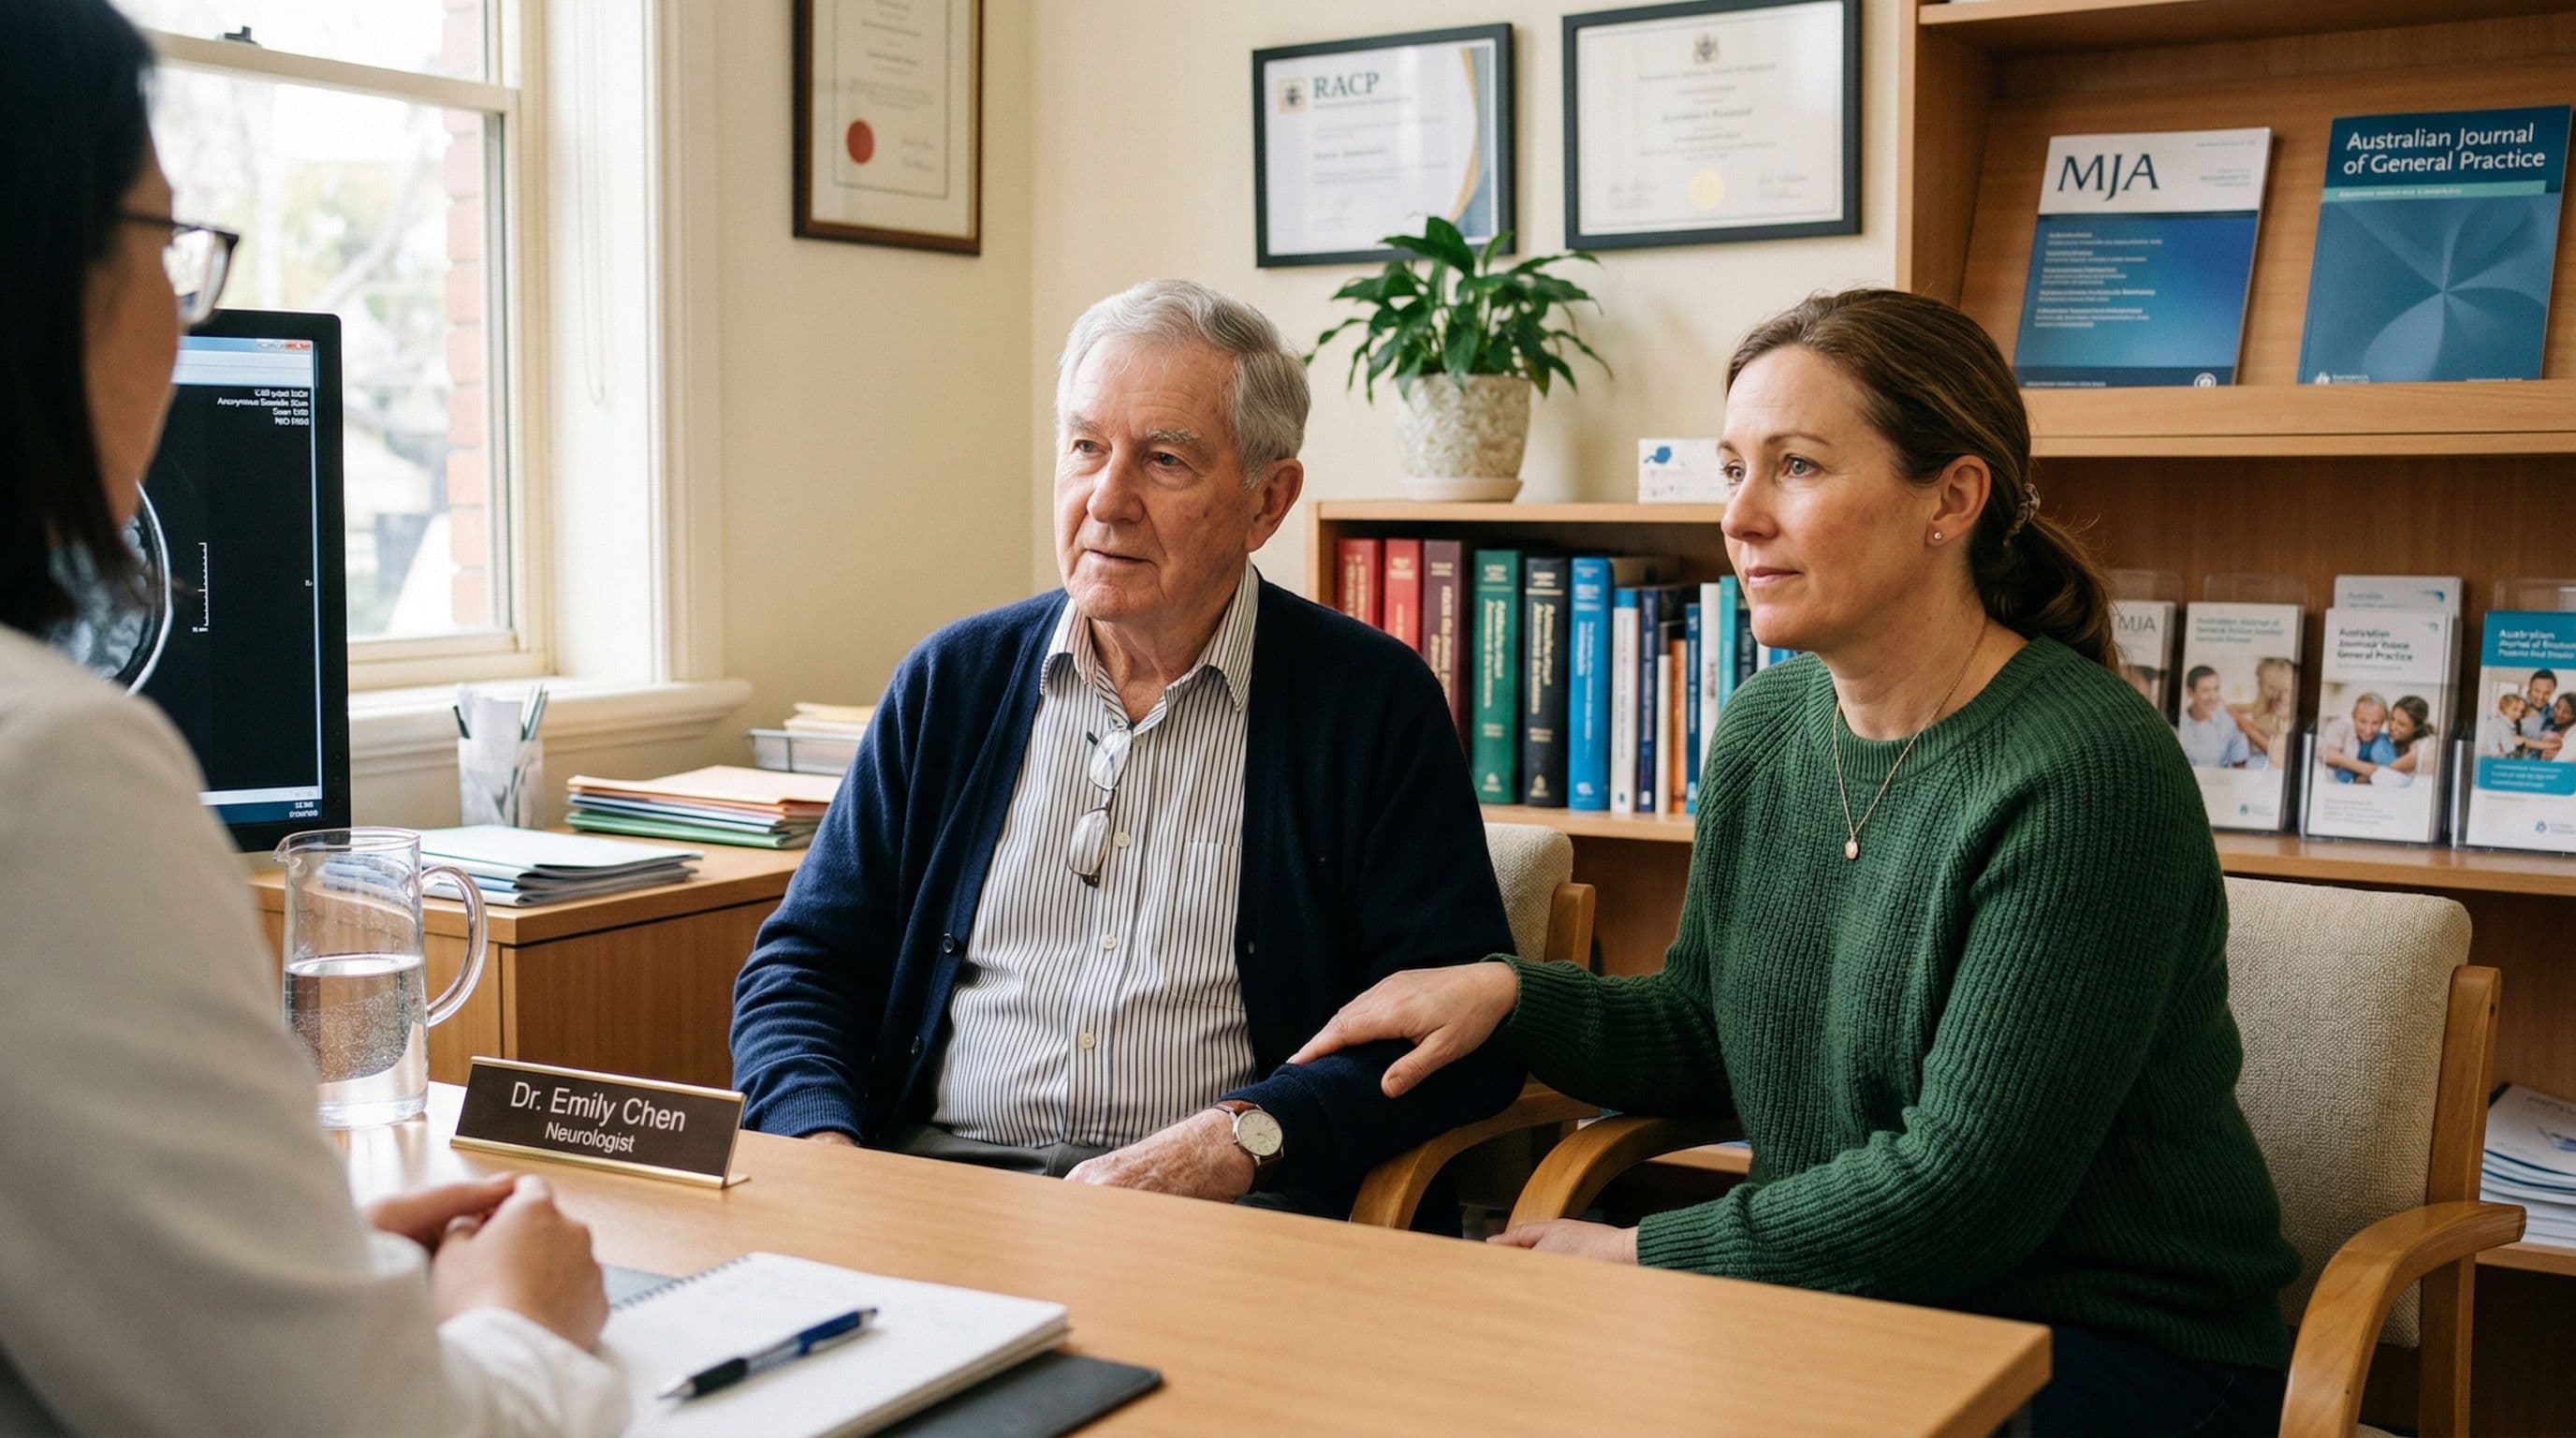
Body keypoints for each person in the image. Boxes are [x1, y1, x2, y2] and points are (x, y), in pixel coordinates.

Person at [1292, 288, 2300, 1437]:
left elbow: (1965, 1190)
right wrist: (1509, 994)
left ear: (1952, 499)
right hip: (1855, 1316)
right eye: (1731, 470)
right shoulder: (1768, 726)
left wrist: (1651, 1253)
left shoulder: (2084, 771)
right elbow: (1708, 1028)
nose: (1741, 517)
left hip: (2103, 1349)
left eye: (1798, 468)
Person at [0, 4, 623, 1431]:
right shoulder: (53, 775)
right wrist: (531, 1328)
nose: (184, 307)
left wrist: (298, 1288)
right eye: (164, 246)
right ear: (45, 279)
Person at [728, 279, 1521, 1214]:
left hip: (1217, 1213)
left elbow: (1457, 1034)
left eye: (1165, 461)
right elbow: (803, 967)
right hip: (930, 1190)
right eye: (1085, 448)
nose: (1107, 500)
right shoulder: (953, 681)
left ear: (1267, 501)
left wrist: (1241, 1139)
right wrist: (822, 1144)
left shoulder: (1370, 704)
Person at [2176, 665, 2251, 769]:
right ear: (2190, 692)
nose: (2213, 697)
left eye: (2216, 689)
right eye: (2205, 691)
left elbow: (2240, 767)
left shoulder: (2229, 723)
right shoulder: (2176, 724)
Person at [2232, 655, 2297, 770]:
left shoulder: (2285, 711)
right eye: (2269, 686)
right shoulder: (2263, 703)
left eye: (2286, 690)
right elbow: (2251, 707)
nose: (2279, 695)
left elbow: (2275, 751)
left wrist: (2242, 722)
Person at [2316, 691, 2395, 784]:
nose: (2368, 730)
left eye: (2375, 723)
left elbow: (2390, 771)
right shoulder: (2339, 727)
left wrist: (2364, 775)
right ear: (2353, 716)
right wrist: (2367, 768)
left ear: (2383, 721)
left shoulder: (2384, 741)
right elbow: (2323, 753)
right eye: (2362, 721)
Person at [2482, 691, 2533, 759]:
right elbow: (2493, 752)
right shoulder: (2495, 724)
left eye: (2521, 711)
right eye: (2514, 709)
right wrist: (2512, 743)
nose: (2519, 714)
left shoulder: (2514, 725)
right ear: (2505, 707)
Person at [2522, 669, 2560, 746]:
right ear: (2529, 686)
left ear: (2553, 691)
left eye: (2547, 693)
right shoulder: (2513, 707)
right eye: (2536, 691)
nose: (2540, 697)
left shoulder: (2556, 715)